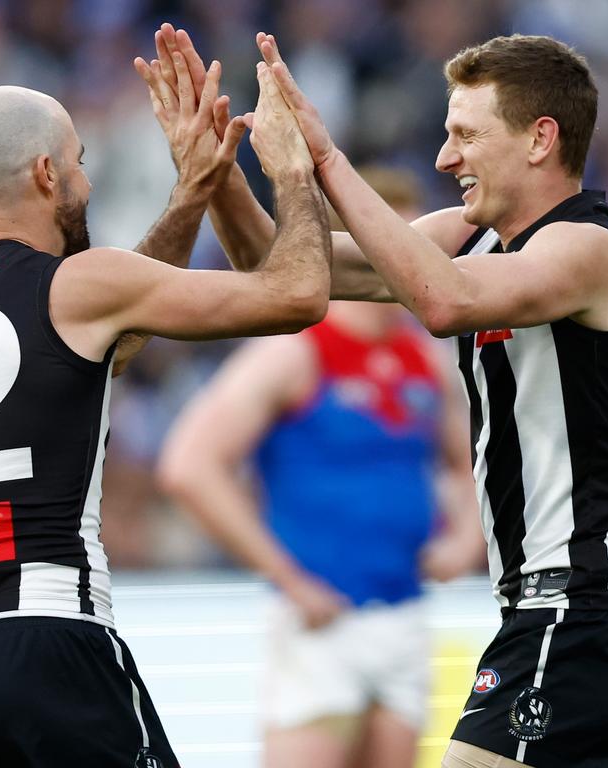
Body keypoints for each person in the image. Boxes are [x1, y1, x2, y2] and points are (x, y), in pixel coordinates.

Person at [138, 24, 608, 768]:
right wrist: (216, 172)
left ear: (540, 139)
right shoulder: (468, 239)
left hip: (583, 614)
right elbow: (278, 267)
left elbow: (445, 303)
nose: (446, 158)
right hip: (601, 621)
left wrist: (322, 159)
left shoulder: (590, 247)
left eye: (466, 136)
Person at [0, 49, 332, 768]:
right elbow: (301, 293)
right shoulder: (76, 285)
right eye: (80, 162)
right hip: (44, 644)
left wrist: (190, 197)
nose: (87, 181)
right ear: (46, 174)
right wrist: (294, 171)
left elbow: (104, 346)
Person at [158, 167, 484, 768]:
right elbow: (190, 464)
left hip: (405, 614)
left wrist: (465, 540)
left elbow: (470, 464)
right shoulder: (294, 352)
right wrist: (287, 578)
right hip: (322, 623)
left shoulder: (424, 359)